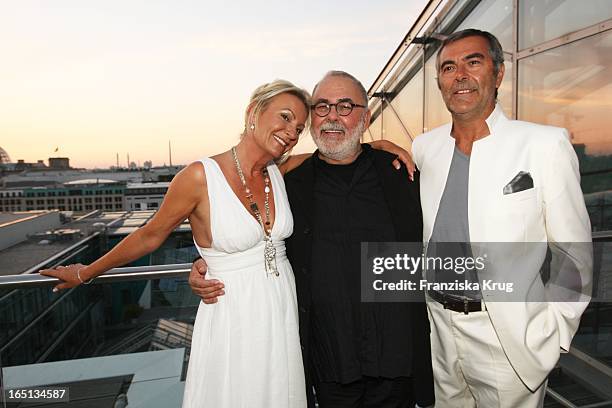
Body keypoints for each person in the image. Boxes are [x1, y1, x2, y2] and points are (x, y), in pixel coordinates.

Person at [41, 79, 312, 407]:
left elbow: (334, 154)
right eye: (285, 117)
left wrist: (380, 146)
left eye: (299, 127)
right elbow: (150, 235)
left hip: (280, 306)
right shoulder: (199, 176)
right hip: (233, 312)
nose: (292, 132)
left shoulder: (279, 172)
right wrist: (87, 272)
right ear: (253, 112)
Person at [191, 71, 435, 408]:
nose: (332, 116)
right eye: (322, 107)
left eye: (345, 106)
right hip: (330, 360)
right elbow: (243, 230)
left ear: (365, 118)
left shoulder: (400, 172)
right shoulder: (287, 184)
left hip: (396, 358)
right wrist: (204, 264)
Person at [411, 29, 592, 407]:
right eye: (448, 67)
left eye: (472, 62)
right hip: (439, 330)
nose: (459, 74)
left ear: (498, 74)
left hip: (508, 338)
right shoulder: (425, 148)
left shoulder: (544, 144)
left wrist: (555, 331)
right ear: (440, 83)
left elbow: (573, 254)